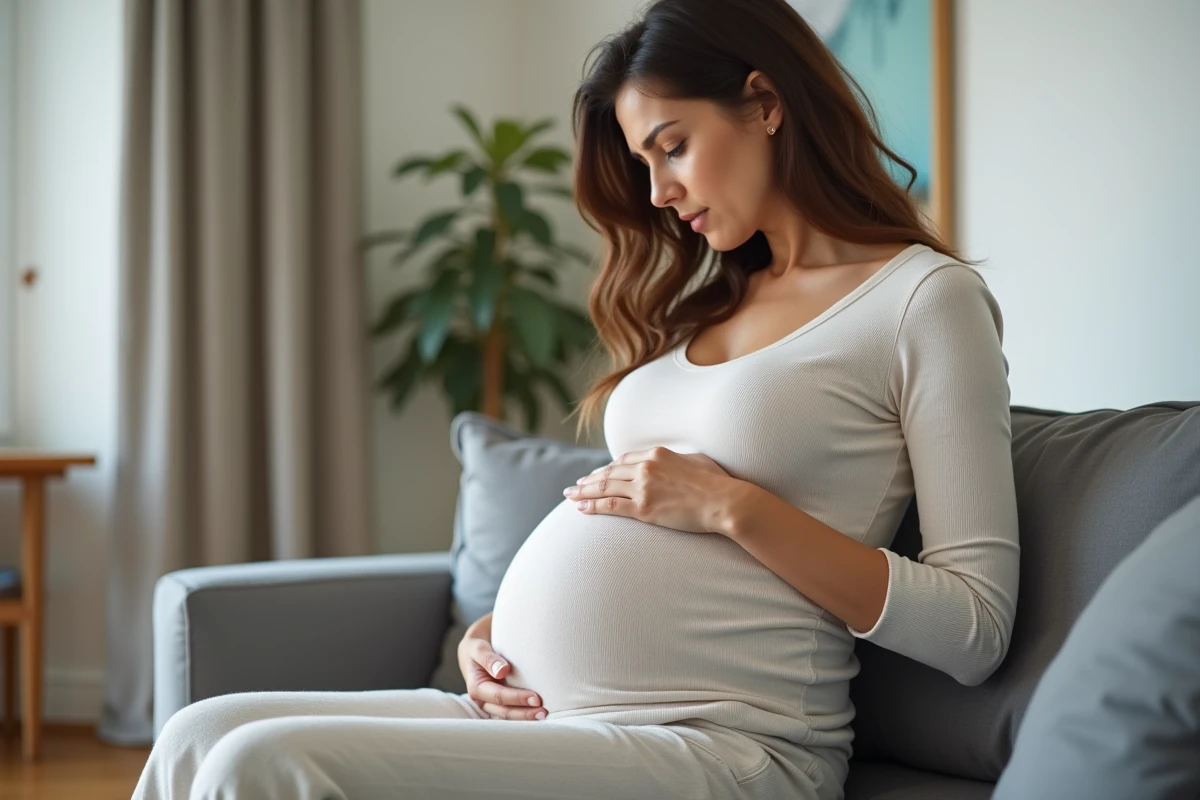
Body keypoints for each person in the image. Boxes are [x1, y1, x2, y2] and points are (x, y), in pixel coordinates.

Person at [133, 0, 1020, 797]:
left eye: (672, 145)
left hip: (725, 745)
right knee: (199, 732)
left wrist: (732, 508)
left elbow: (975, 628)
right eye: (642, 161)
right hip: (544, 718)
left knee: (262, 767)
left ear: (765, 102)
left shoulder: (922, 302)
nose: (657, 192)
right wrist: (493, 634)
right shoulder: (715, 301)